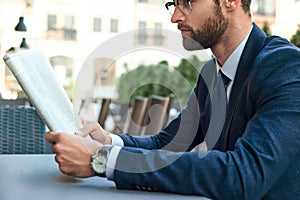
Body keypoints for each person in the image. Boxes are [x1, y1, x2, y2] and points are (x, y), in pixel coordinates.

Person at [45, 0, 300, 199]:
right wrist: (107, 140)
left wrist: (101, 159)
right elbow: (169, 142)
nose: (175, 16)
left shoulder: (285, 67)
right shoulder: (212, 73)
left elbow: (246, 174)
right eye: (173, 4)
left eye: (187, 3)